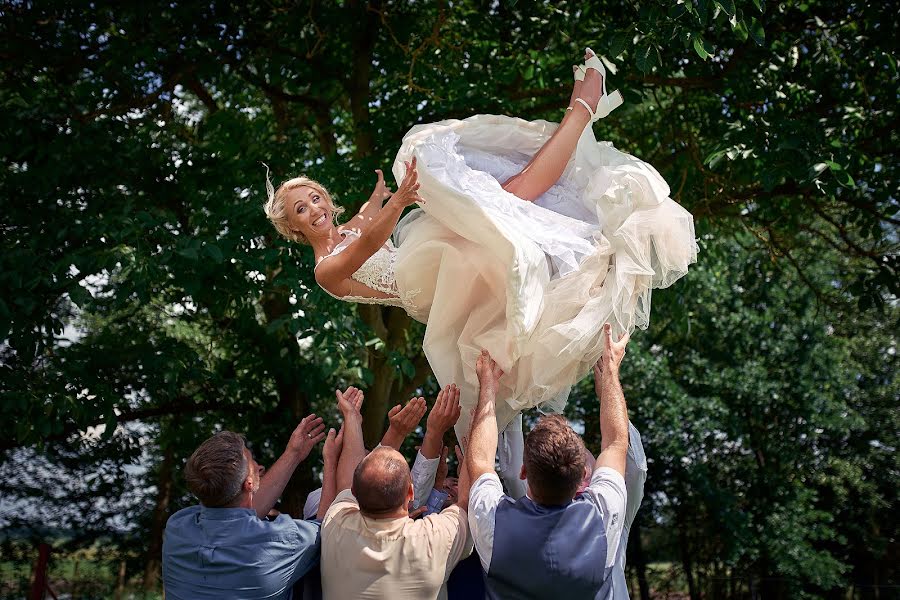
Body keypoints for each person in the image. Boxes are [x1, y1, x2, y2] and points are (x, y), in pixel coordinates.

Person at [264, 48, 697, 436]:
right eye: (302, 209)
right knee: (507, 205)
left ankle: (579, 111)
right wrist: (395, 201)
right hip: (426, 278)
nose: (316, 209)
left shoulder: (348, 227)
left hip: (437, 263)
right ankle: (583, 108)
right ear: (293, 227)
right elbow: (370, 238)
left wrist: (382, 194)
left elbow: (367, 216)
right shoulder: (326, 269)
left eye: (315, 197)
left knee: (509, 196)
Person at [466, 325, 632, 599]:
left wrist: (488, 389)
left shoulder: (494, 523)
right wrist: (611, 372)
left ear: (523, 472)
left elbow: (481, 460)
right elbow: (616, 442)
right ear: (582, 477)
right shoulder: (602, 518)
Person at [319, 378, 473, 599]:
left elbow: (349, 478)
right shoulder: (433, 539)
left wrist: (353, 418)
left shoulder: (336, 526)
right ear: (410, 494)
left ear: (355, 492)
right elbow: (467, 502)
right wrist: (475, 416)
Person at [162, 412, 337, 600]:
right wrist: (330, 462)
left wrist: (293, 454)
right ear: (249, 483)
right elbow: (326, 528)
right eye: (253, 461)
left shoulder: (177, 529)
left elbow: (237, 516)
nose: (260, 467)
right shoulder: (280, 541)